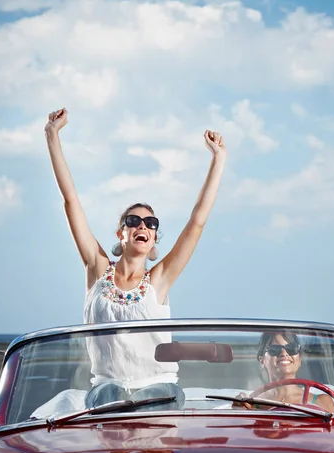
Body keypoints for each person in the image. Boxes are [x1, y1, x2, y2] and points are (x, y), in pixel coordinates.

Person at [45, 108, 227, 410]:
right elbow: (70, 201)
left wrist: (218, 158)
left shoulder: (160, 279)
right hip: (107, 390)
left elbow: (197, 221)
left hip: (158, 390)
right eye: (134, 220)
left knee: (155, 404)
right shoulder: (97, 268)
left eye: (151, 223)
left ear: (154, 240)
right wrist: (52, 135)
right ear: (121, 234)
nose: (143, 225)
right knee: (112, 402)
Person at [235, 332, 334, 414]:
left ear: (299, 359)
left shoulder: (322, 401)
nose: (284, 353)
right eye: (274, 349)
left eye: (291, 348)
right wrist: (238, 410)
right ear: (262, 361)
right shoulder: (251, 405)